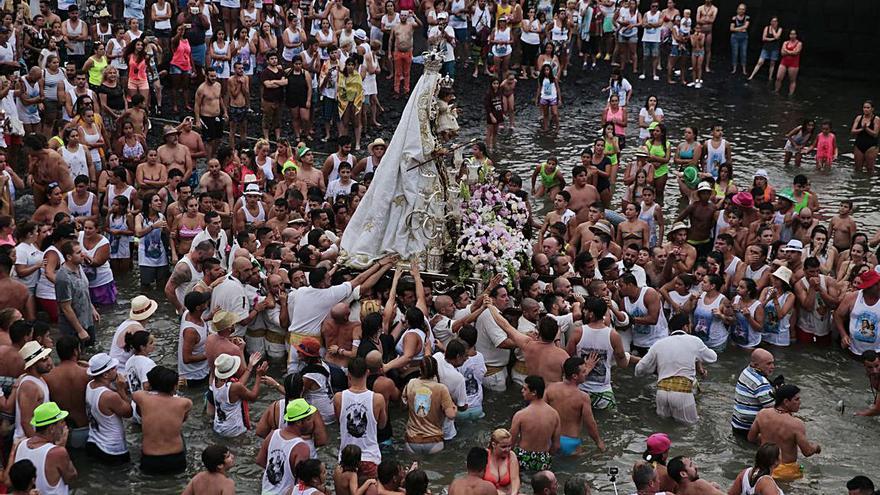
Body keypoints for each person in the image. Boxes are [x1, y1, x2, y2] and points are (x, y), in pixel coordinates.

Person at [635, 313, 717, 424]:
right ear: (685, 327)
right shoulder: (694, 341)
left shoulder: (658, 344)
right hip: (682, 393)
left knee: (663, 427)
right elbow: (712, 357)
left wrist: (656, 370)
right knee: (690, 428)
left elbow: (639, 369)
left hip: (661, 393)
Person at [748, 384, 821, 481]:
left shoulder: (762, 414)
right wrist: (816, 448)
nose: (800, 402)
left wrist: (766, 439)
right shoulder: (796, 424)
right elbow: (807, 452)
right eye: (796, 399)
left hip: (763, 468)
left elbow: (751, 438)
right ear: (786, 401)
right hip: (786, 472)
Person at [133, 366, 193, 475]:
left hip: (150, 457)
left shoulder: (141, 397)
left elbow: (138, 402)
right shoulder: (185, 403)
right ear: (174, 386)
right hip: (175, 456)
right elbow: (182, 420)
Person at [333, 357, 386, 479]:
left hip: (346, 459)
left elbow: (339, 421)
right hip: (370, 458)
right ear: (367, 372)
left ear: (348, 374)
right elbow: (382, 425)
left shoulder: (338, 398)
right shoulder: (378, 399)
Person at [10, 402, 77, 495]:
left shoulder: (21, 444)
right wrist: (61, 447)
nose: (64, 425)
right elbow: (71, 478)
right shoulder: (58, 452)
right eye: (61, 422)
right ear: (52, 428)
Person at [256, 398, 318, 495]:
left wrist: (279, 476)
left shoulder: (273, 434)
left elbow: (260, 461)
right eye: (308, 419)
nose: (312, 422)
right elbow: (302, 482)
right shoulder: (301, 447)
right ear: (298, 422)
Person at [545, 356, 605, 455]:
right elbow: (590, 424)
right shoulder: (583, 397)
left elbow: (539, 410)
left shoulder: (550, 389)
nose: (586, 373)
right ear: (575, 376)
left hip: (551, 440)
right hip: (571, 443)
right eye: (584, 372)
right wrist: (599, 442)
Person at [84, 352, 133, 464]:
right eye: (113, 368)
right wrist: (121, 389)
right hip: (113, 450)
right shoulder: (110, 396)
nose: (116, 369)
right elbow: (129, 412)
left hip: (94, 441)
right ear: (105, 375)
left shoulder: (90, 385)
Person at [43, 335, 90, 450]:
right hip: (85, 428)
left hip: (62, 430)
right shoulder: (86, 374)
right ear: (75, 351)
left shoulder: (48, 377)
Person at [510, 375, 561, 472]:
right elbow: (556, 445)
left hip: (523, 458)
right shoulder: (554, 414)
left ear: (534, 392)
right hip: (543, 459)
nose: (522, 391)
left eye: (525, 389)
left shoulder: (521, 415)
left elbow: (511, 442)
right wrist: (546, 456)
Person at [55, 240, 98, 344]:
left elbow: (84, 291)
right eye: (78, 253)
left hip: (87, 321)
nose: (83, 254)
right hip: (73, 328)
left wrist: (92, 309)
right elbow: (66, 307)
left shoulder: (79, 267)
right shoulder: (63, 278)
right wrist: (80, 330)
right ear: (69, 257)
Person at [14, 341, 54, 443]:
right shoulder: (30, 387)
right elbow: (25, 422)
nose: (49, 362)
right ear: (32, 365)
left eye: (47, 357)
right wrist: (38, 443)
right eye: (44, 360)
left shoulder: (39, 379)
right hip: (28, 440)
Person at [834, 268, 880, 356]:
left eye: (870, 287)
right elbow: (838, 315)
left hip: (877, 352)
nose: (866, 290)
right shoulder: (852, 297)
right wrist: (843, 335)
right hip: (853, 350)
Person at [732, 348, 777, 437]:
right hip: (751, 428)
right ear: (756, 365)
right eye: (768, 364)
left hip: (737, 423)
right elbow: (773, 409)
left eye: (773, 363)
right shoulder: (761, 382)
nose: (773, 367)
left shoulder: (746, 371)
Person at [774, 29, 802, 96]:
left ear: (796, 35)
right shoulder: (785, 43)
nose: (792, 36)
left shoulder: (799, 43)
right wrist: (790, 52)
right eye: (791, 34)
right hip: (784, 62)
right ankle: (776, 91)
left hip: (793, 63)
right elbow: (782, 53)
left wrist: (787, 51)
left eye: (793, 34)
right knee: (778, 77)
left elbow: (795, 52)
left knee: (792, 80)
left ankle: (790, 94)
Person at [856, 350, 880, 416]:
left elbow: (877, 411)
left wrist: (857, 414)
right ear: (864, 366)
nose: (875, 371)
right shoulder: (869, 374)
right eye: (870, 367)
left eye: (877, 366)